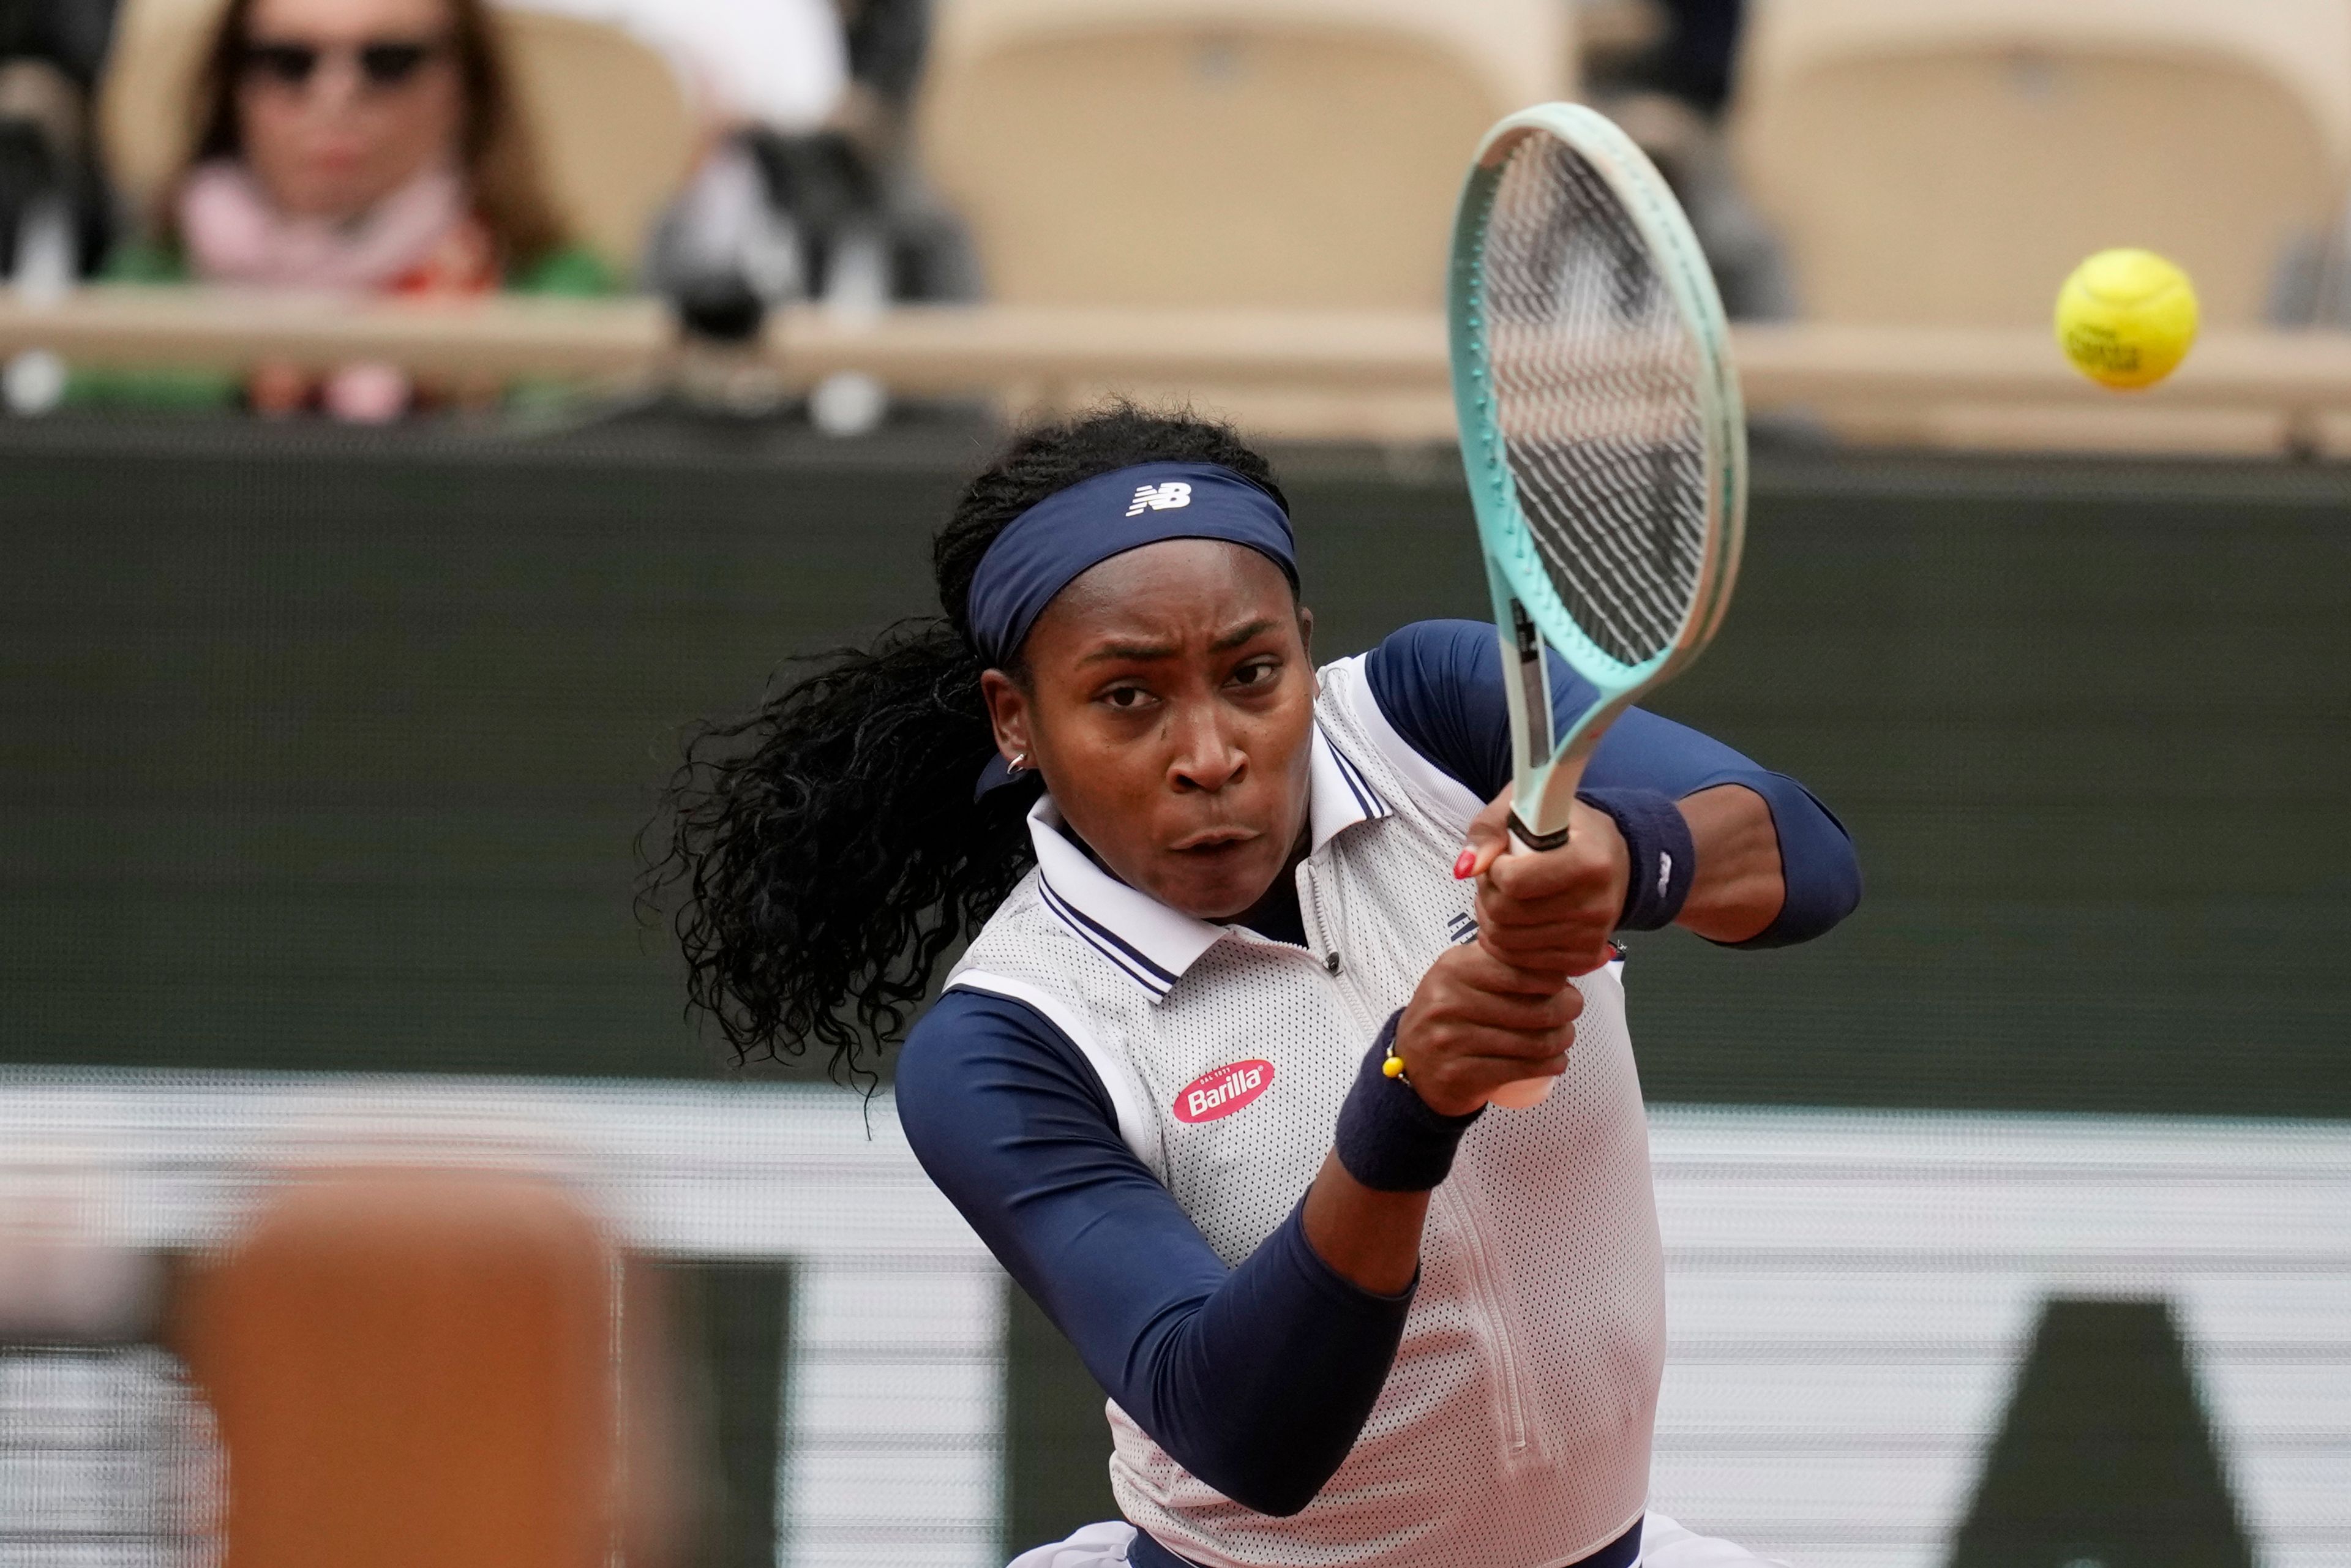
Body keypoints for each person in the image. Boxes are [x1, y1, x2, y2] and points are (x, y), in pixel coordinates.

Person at [649, 407, 1862, 1567]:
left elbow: (1807, 852)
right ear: (1016, 719)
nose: (1212, 751)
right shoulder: (1007, 1041)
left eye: (1253, 671)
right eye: (1129, 696)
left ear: (1304, 643)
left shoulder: (1430, 713)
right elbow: (1243, 1429)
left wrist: (1632, 855)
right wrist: (1407, 1099)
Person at [91, 0, 607, 418]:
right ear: (232, 87)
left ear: (464, 89)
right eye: (289, 60)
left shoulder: (559, 295)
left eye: (388, 61)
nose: (334, 94)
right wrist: (241, 387)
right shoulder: (139, 290)